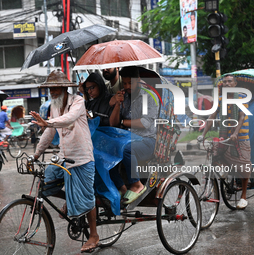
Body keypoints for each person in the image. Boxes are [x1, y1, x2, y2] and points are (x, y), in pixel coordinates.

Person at [31, 70, 99, 253]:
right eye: (50, 89)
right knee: (47, 183)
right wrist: (36, 154)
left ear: (63, 88)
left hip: (82, 157)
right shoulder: (54, 107)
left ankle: (93, 234)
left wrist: (48, 123)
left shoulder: (77, 101)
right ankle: (70, 198)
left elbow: (69, 118)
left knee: (86, 196)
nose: (52, 92)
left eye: (55, 88)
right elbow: (49, 132)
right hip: (63, 157)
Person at [198, 74, 251, 209]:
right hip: (225, 136)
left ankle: (243, 196)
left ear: (235, 84)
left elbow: (242, 116)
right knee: (214, 153)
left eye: (229, 81)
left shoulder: (241, 97)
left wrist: (235, 133)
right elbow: (211, 116)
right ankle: (225, 170)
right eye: (225, 82)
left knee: (244, 167)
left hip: (241, 137)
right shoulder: (220, 99)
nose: (227, 84)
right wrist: (203, 134)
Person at [109, 66, 159, 204]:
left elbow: (146, 122)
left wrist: (123, 122)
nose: (127, 86)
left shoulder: (148, 96)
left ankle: (136, 184)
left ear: (138, 80)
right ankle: (121, 187)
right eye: (124, 83)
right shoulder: (124, 95)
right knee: (106, 150)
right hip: (127, 139)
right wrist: (117, 105)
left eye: (130, 83)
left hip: (148, 140)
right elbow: (113, 123)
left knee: (127, 149)